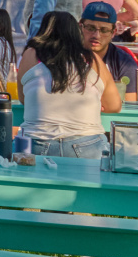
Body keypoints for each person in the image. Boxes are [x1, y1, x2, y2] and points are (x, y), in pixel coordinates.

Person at [18, 11, 121, 159]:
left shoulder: (31, 55)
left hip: (36, 143)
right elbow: (114, 106)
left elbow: (23, 99)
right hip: (88, 142)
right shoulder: (92, 60)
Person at [79, 1, 138, 98]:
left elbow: (129, 103)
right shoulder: (66, 56)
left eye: (104, 30)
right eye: (90, 28)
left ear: (113, 32)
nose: (96, 35)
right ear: (80, 27)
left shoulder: (124, 62)